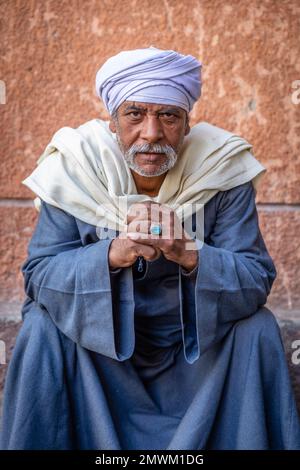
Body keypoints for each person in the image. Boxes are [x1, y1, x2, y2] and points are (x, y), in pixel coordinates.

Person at [0, 46, 299, 450]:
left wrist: (187, 252)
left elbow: (255, 278)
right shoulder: (76, 167)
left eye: (168, 116)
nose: (152, 133)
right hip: (98, 349)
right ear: (112, 123)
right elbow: (39, 275)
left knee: (258, 326)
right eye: (135, 114)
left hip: (195, 351)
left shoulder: (222, 169)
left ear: (187, 124)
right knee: (40, 324)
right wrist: (111, 255)